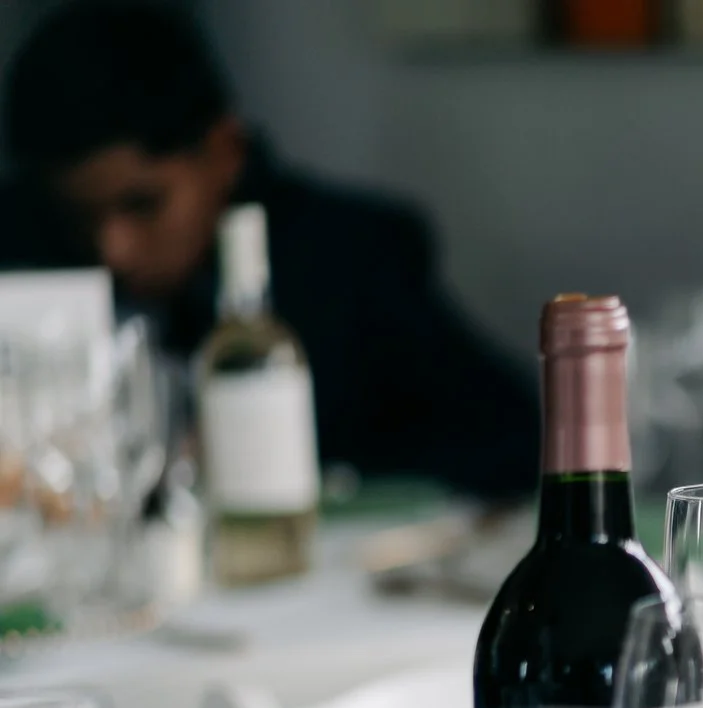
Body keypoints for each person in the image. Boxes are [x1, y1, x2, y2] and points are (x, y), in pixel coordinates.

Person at [0, 1, 538, 502]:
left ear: (224, 152)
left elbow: (513, 438)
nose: (111, 249)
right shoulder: (24, 245)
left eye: (143, 204)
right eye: (80, 216)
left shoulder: (348, 257)